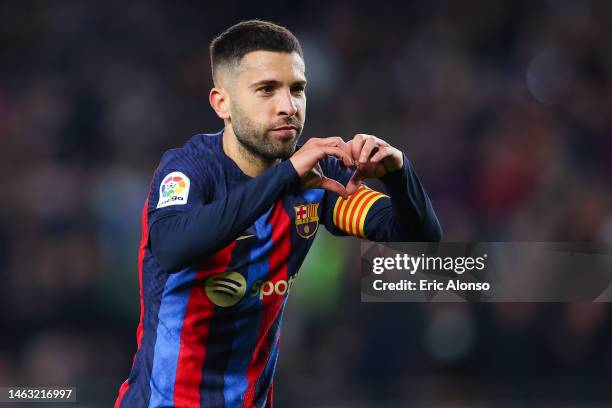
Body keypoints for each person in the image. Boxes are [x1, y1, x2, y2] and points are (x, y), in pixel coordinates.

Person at [115, 19, 441, 408]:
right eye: (266, 90)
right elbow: (171, 247)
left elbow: (417, 239)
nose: (288, 106)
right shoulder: (189, 170)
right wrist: (284, 177)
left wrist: (399, 172)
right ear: (223, 104)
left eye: (297, 89)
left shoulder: (320, 178)